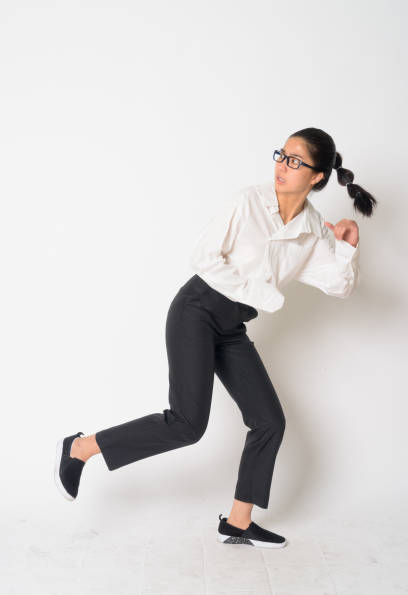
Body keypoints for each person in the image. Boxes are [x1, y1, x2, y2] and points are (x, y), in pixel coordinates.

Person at [54, 127, 376, 549]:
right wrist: (264, 294)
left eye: (296, 161)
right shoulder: (249, 201)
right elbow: (203, 257)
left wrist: (348, 247)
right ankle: (81, 447)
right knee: (188, 424)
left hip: (230, 326)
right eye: (282, 155)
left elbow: (338, 286)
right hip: (196, 311)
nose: (282, 165)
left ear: (317, 177)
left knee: (269, 422)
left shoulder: (313, 230)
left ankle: (239, 522)